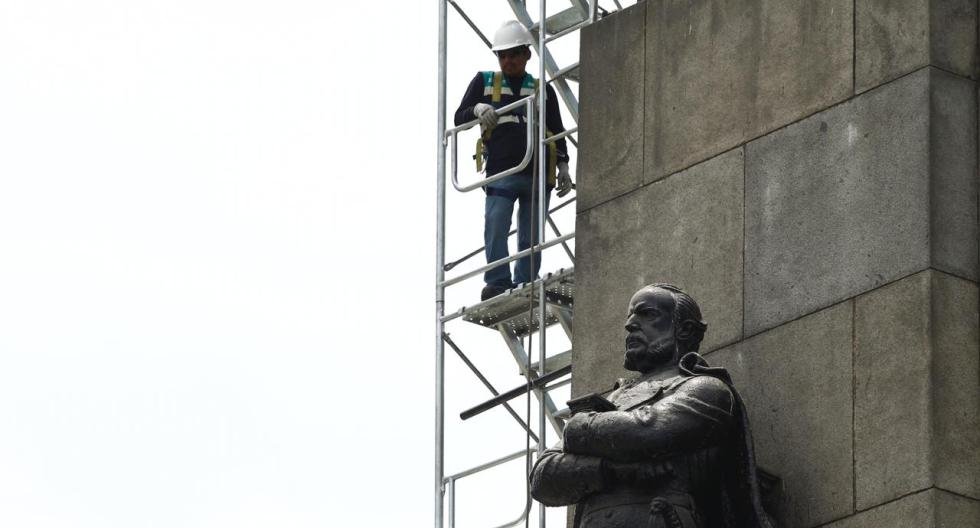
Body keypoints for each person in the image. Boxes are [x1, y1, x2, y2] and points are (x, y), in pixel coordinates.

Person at [530, 284, 774, 528]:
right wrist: (609, 469)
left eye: (647, 314)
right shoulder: (614, 400)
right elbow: (542, 476)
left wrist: (578, 426)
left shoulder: (707, 389)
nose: (630, 324)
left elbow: (648, 431)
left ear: (685, 329)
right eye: (630, 316)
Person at [454, 20, 573, 301]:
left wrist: (564, 165)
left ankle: (525, 282)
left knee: (531, 238)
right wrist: (477, 108)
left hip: (537, 172)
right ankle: (497, 281)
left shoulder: (540, 88)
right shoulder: (485, 82)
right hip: (501, 170)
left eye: (514, 54)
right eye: (502, 55)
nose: (508, 60)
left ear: (527, 55)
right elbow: (459, 117)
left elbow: (556, 128)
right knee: (496, 225)